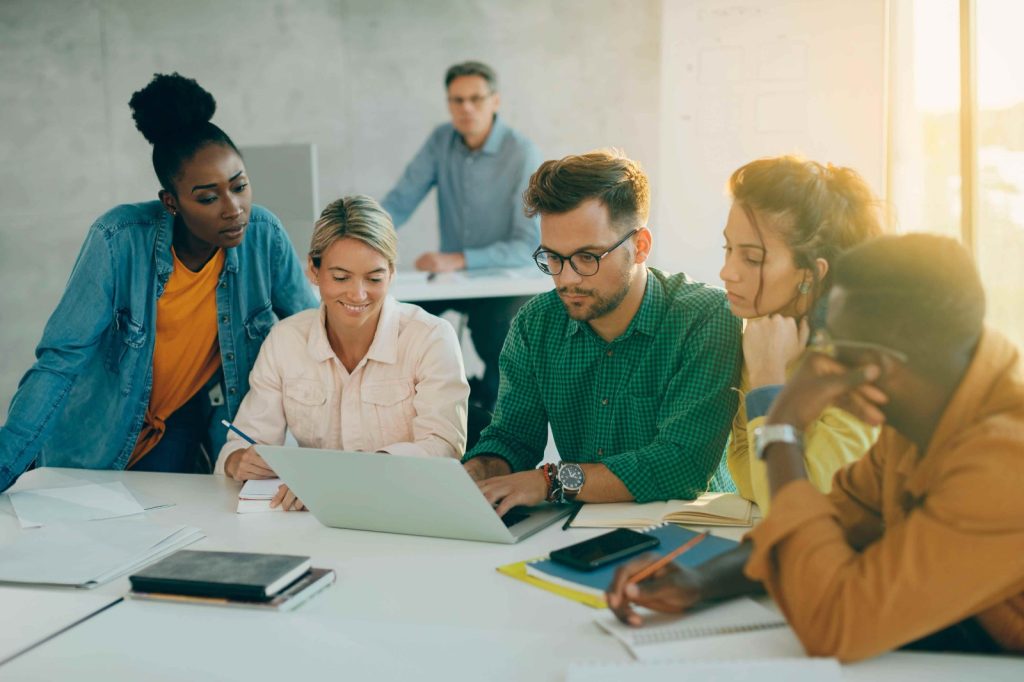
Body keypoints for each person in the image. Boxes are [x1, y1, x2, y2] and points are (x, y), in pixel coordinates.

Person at [607, 235, 1024, 660]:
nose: (820, 359)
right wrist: (702, 581)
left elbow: (837, 625)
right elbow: (834, 522)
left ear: (874, 369)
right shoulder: (930, 406)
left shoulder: (1004, 461)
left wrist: (782, 426)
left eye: (831, 346)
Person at [0, 73, 316, 491]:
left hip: (178, 428)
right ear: (171, 202)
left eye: (239, 186)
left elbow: (315, 336)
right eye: (208, 197)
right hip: (99, 433)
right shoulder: (118, 240)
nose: (233, 208)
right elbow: (59, 363)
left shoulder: (264, 235)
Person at [462, 150, 742, 515]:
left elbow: (681, 465)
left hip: (689, 529)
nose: (567, 278)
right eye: (553, 258)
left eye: (587, 257)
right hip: (580, 531)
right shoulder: (535, 325)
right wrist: (479, 472)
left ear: (639, 246)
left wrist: (552, 480)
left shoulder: (706, 318)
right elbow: (513, 438)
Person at [217, 196, 470, 511]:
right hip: (315, 522)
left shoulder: (431, 337)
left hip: (404, 511)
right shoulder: (285, 340)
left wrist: (342, 478)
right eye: (340, 277)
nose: (358, 294)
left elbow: (443, 447)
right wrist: (239, 460)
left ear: (392, 273)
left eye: (374, 278)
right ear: (313, 269)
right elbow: (243, 441)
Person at [719, 156, 883, 510]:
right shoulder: (764, 330)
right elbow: (749, 475)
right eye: (728, 249)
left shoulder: (860, 361)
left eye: (752, 258)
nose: (726, 272)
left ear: (809, 274)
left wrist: (767, 381)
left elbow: (794, 505)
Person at [381, 60, 542, 410]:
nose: (466, 108)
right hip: (452, 280)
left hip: (503, 282)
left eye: (475, 98)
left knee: (494, 332)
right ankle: (414, 409)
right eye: (457, 100)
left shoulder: (522, 152)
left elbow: (528, 244)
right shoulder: (441, 141)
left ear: (495, 101)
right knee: (396, 318)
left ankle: (493, 420)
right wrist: (358, 239)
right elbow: (400, 201)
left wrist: (459, 258)